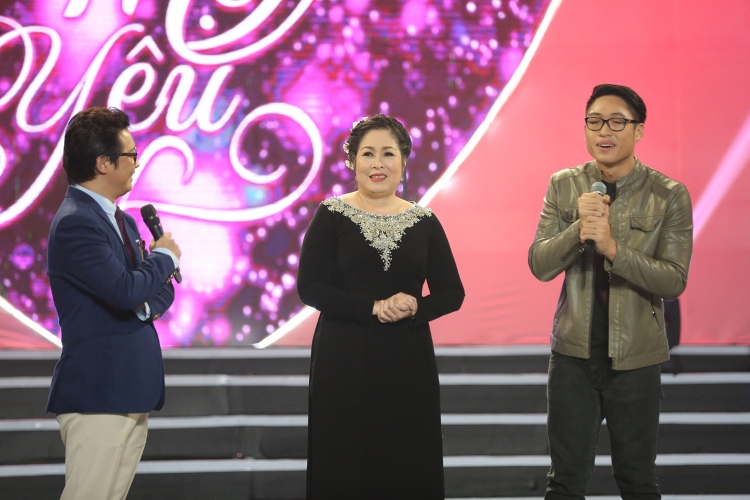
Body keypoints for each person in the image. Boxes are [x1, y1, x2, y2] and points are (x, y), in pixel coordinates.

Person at [528, 84, 693, 499]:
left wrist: (613, 250)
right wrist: (577, 231)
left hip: (637, 358)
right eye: (595, 121)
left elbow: (674, 280)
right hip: (572, 358)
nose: (605, 130)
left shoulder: (668, 194)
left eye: (617, 122)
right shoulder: (564, 185)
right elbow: (540, 265)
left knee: (638, 482)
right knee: (564, 483)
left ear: (639, 130)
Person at [297, 114, 465, 499]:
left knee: (407, 458)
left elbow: (451, 292)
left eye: (388, 153)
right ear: (352, 161)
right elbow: (310, 288)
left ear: (404, 160)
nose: (378, 163)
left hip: (407, 359)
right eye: (368, 154)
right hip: (343, 358)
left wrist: (415, 307)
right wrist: (371, 307)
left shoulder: (424, 221)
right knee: (344, 460)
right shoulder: (331, 215)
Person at [46, 107, 181, 500]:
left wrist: (142, 298)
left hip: (128, 388)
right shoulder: (76, 222)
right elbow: (126, 290)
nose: (137, 163)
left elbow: (156, 291)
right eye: (131, 155)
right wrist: (165, 257)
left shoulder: (121, 220)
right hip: (99, 391)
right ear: (103, 163)